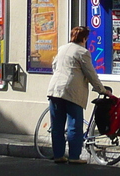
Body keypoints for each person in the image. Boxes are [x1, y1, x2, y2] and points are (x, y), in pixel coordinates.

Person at [45, 25, 112, 164]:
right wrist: (102, 90)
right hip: (71, 91)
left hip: (54, 89)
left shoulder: (62, 49)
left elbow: (54, 66)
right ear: (84, 38)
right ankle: (74, 156)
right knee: (74, 125)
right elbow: (91, 73)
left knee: (57, 125)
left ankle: (58, 155)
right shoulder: (82, 52)